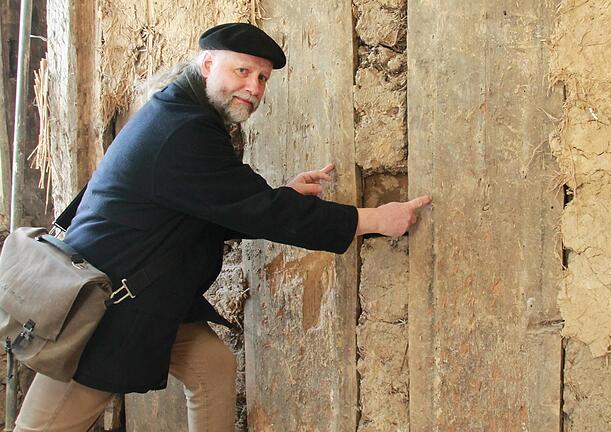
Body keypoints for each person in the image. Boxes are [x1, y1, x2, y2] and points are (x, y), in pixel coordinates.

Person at [14, 23, 430, 431]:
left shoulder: (181, 112)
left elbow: (218, 203)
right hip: (106, 310)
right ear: (207, 64)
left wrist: (281, 193)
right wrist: (374, 218)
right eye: (242, 71)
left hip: (146, 292)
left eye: (263, 78)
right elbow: (261, 211)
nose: (254, 87)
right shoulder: (183, 130)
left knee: (211, 366)